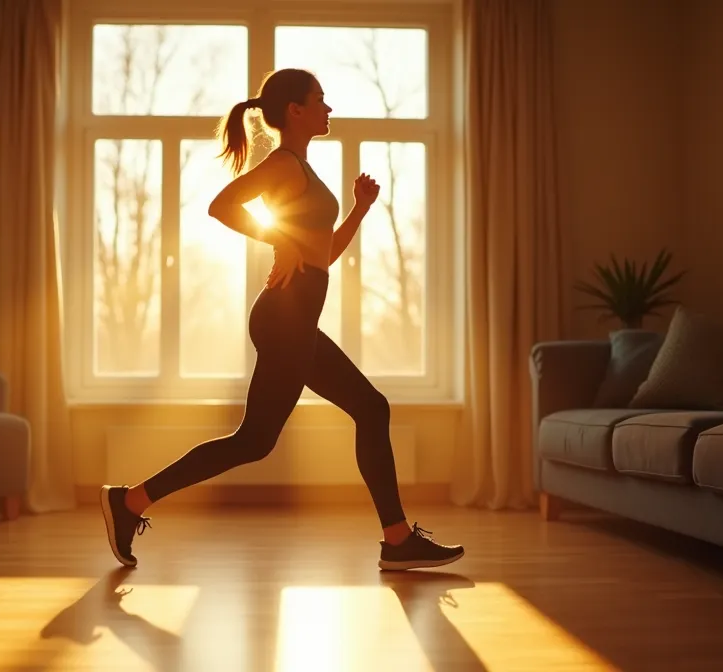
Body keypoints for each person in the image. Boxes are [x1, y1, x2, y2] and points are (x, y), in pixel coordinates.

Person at [100, 68, 464, 572]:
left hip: (297, 319)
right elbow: (221, 205)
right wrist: (281, 240)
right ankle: (130, 500)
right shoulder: (285, 166)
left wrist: (358, 212)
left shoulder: (303, 170)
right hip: (283, 317)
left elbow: (323, 256)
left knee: (368, 408)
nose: (328, 108)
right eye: (320, 99)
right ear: (295, 110)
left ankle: (397, 539)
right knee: (256, 440)